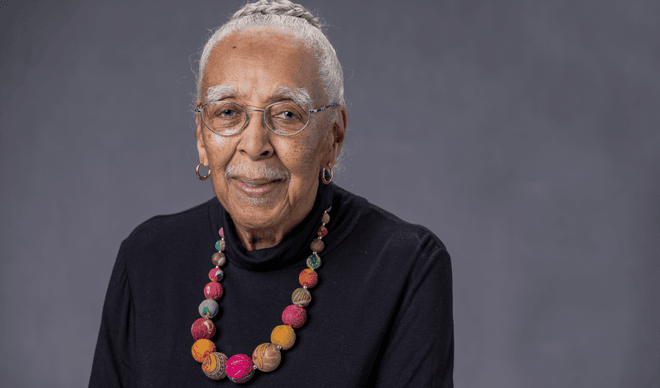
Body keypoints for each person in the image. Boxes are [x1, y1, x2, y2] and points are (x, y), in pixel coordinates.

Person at [89, 0, 453, 386]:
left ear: (333, 137)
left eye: (287, 114)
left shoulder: (406, 265)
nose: (255, 144)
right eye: (228, 112)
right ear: (201, 136)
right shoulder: (147, 258)